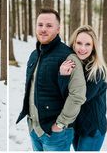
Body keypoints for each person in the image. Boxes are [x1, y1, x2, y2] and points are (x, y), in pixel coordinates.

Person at [16, 8, 87, 151]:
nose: (43, 29)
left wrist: (60, 124)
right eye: (40, 25)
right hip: (35, 129)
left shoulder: (68, 57)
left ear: (58, 29)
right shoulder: (34, 55)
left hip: (56, 133)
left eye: (49, 26)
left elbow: (77, 95)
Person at [58, 25, 107, 151]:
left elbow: (78, 97)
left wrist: (63, 77)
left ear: (94, 47)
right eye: (79, 43)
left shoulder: (97, 71)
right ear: (73, 43)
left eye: (88, 44)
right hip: (77, 126)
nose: (82, 48)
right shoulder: (72, 63)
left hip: (92, 128)